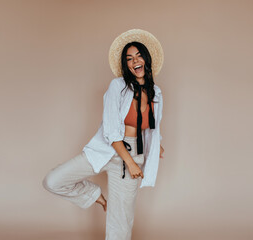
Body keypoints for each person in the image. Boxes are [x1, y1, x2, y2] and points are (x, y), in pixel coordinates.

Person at [42, 29, 164, 240]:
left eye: (138, 55)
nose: (135, 60)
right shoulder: (118, 87)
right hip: (108, 149)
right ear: (126, 65)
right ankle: (95, 196)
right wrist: (131, 163)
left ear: (146, 58)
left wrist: (156, 146)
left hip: (135, 153)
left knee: (121, 224)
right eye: (129, 58)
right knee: (53, 180)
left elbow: (153, 127)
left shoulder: (157, 93)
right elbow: (111, 132)